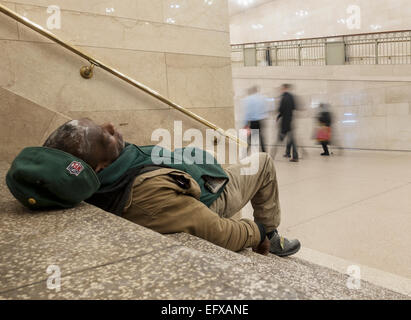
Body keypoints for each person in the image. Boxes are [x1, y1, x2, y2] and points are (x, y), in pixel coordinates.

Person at [7, 118, 301, 257]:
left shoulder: (107, 174)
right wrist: (256, 233)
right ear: (97, 167)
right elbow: (218, 232)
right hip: (213, 194)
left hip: (198, 174)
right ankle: (273, 234)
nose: (111, 126)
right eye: (105, 136)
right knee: (262, 162)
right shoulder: (145, 194)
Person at [242, 86, 268, 153]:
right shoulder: (262, 97)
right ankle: (264, 152)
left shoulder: (249, 99)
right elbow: (266, 108)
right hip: (261, 120)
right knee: (261, 137)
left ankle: (245, 152)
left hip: (254, 121)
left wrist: (245, 124)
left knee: (250, 138)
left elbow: (248, 112)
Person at [277, 84, 299, 162]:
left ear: (284, 88)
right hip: (290, 120)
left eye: (281, 88)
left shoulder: (284, 97)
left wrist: (279, 116)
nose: (280, 90)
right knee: (290, 138)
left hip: (285, 121)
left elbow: (281, 109)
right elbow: (294, 107)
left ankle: (295, 156)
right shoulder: (291, 97)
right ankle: (288, 153)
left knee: (284, 139)